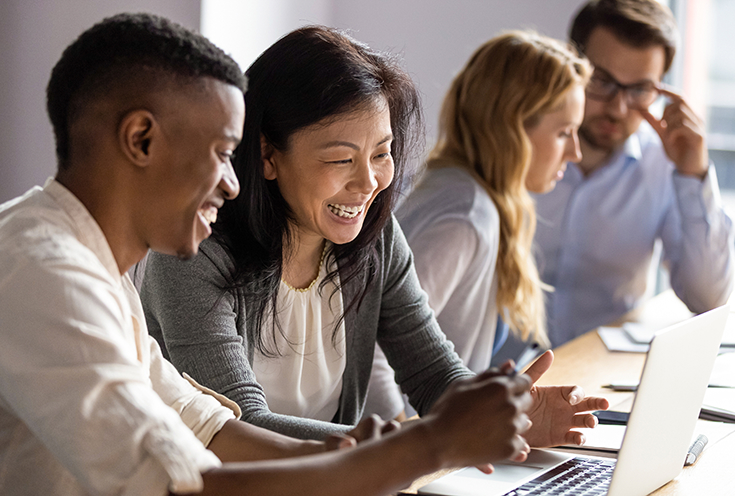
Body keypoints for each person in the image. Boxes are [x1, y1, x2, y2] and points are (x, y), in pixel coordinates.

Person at [0, 13, 542, 496]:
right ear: (141, 140)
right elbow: (183, 485)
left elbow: (205, 426)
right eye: (221, 154)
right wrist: (427, 446)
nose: (233, 183)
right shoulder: (44, 272)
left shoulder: (92, 264)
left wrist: (410, 445)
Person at [141, 25, 608, 447]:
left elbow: (432, 374)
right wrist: (421, 443)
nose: (368, 183)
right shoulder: (195, 251)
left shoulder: (375, 237)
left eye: (381, 154)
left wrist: (506, 416)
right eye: (342, 159)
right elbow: (240, 429)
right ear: (267, 154)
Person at [365, 31, 591, 418]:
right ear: (514, 127)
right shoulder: (465, 219)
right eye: (563, 133)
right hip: (416, 455)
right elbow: (373, 356)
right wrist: (406, 450)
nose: (576, 152)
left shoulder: (471, 193)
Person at [533, 0, 735, 345]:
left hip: (601, 377)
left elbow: (709, 298)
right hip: (504, 377)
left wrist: (693, 174)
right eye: (601, 81)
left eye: (640, 90)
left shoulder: (663, 164)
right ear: (570, 63)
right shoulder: (516, 146)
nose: (618, 107)